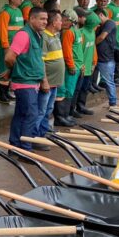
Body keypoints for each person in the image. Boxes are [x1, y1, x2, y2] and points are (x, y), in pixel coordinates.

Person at [6, 7, 49, 153]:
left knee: (21, 115)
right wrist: (18, 70)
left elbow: (38, 59)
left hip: (31, 82)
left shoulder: (37, 34)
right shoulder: (24, 34)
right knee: (31, 115)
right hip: (24, 82)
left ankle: (14, 147)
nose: (45, 22)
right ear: (31, 19)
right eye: (42, 19)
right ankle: (25, 149)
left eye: (46, 19)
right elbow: (9, 57)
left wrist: (43, 79)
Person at [36, 9, 68, 141]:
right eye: (60, 20)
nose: (62, 22)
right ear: (54, 22)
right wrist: (44, 81)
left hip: (54, 83)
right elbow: (41, 61)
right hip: (47, 82)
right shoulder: (44, 37)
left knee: (48, 110)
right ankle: (34, 137)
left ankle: (42, 133)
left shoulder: (56, 36)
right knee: (40, 111)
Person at [0, 0, 24, 104]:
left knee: (11, 68)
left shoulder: (18, 11)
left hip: (16, 47)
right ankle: (1, 95)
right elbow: (2, 31)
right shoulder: (5, 12)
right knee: (4, 68)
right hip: (7, 47)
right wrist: (5, 46)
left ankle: (6, 92)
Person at [57, 9, 84, 124]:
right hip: (71, 67)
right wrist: (71, 65)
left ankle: (66, 114)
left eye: (66, 20)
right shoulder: (68, 32)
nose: (63, 22)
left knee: (71, 91)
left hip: (76, 66)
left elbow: (78, 50)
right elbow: (67, 51)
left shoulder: (74, 31)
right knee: (67, 91)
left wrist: (81, 64)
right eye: (63, 20)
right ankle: (61, 116)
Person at [71, 6, 98, 116]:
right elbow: (78, 51)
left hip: (89, 66)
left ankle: (81, 106)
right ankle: (72, 109)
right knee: (77, 90)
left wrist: (93, 62)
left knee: (85, 89)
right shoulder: (82, 32)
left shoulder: (92, 32)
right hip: (81, 67)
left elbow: (93, 49)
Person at [94, 7, 118, 106]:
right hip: (99, 57)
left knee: (109, 81)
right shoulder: (100, 25)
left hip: (106, 58)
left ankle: (113, 102)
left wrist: (92, 44)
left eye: (96, 18)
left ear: (101, 15)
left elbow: (102, 37)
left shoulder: (110, 23)